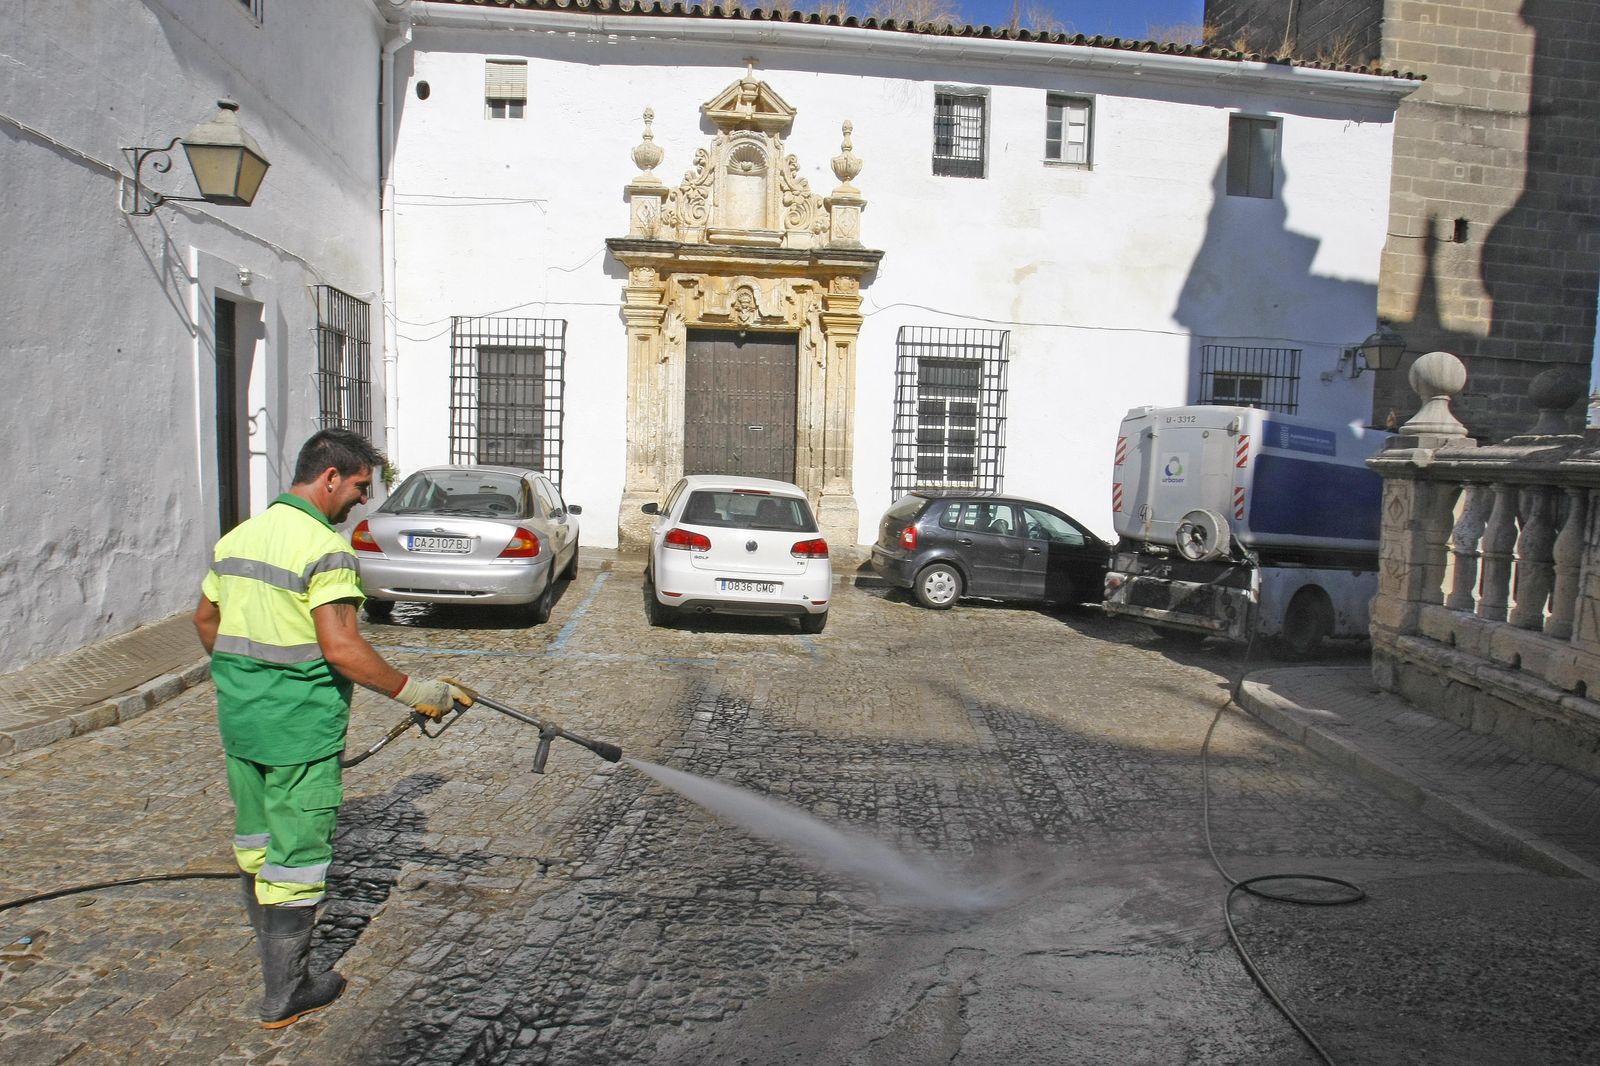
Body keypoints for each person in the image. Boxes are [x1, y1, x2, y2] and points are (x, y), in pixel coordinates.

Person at [192, 429, 472, 1029]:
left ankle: (275, 966)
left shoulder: (240, 536)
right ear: (330, 479)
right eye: (359, 489)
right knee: (296, 857)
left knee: (256, 844)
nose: (361, 503)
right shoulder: (325, 549)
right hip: (300, 729)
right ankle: (286, 991)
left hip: (243, 722)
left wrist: (245, 678)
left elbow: (206, 618)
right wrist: (417, 692)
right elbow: (342, 648)